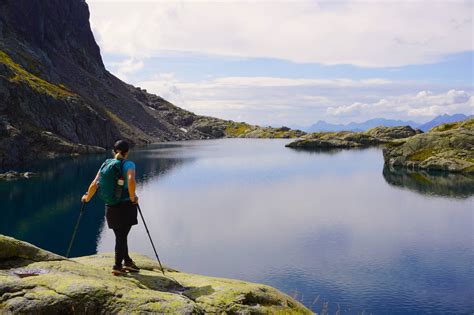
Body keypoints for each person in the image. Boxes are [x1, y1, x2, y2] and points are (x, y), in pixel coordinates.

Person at [81, 140, 140, 275]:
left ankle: (128, 262)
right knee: (122, 236)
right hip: (126, 205)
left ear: (114, 151)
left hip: (111, 206)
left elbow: (95, 183)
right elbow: (130, 180)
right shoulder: (128, 164)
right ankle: (118, 265)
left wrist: (87, 198)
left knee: (120, 235)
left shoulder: (106, 164)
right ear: (127, 152)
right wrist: (132, 198)